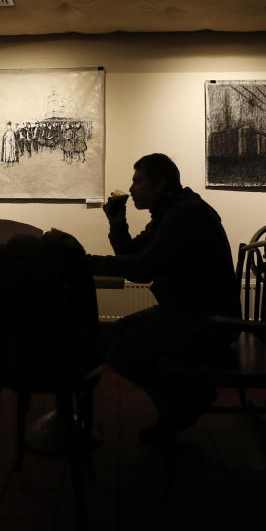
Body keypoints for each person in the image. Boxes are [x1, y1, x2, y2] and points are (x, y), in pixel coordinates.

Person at [88, 153, 239, 445]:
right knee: (111, 336)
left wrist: (87, 261)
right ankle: (185, 397)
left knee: (121, 351)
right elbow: (133, 256)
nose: (131, 189)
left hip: (206, 320)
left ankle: (185, 401)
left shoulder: (185, 214)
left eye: (138, 180)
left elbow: (143, 269)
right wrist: (118, 223)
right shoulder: (170, 212)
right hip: (184, 310)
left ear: (160, 183)